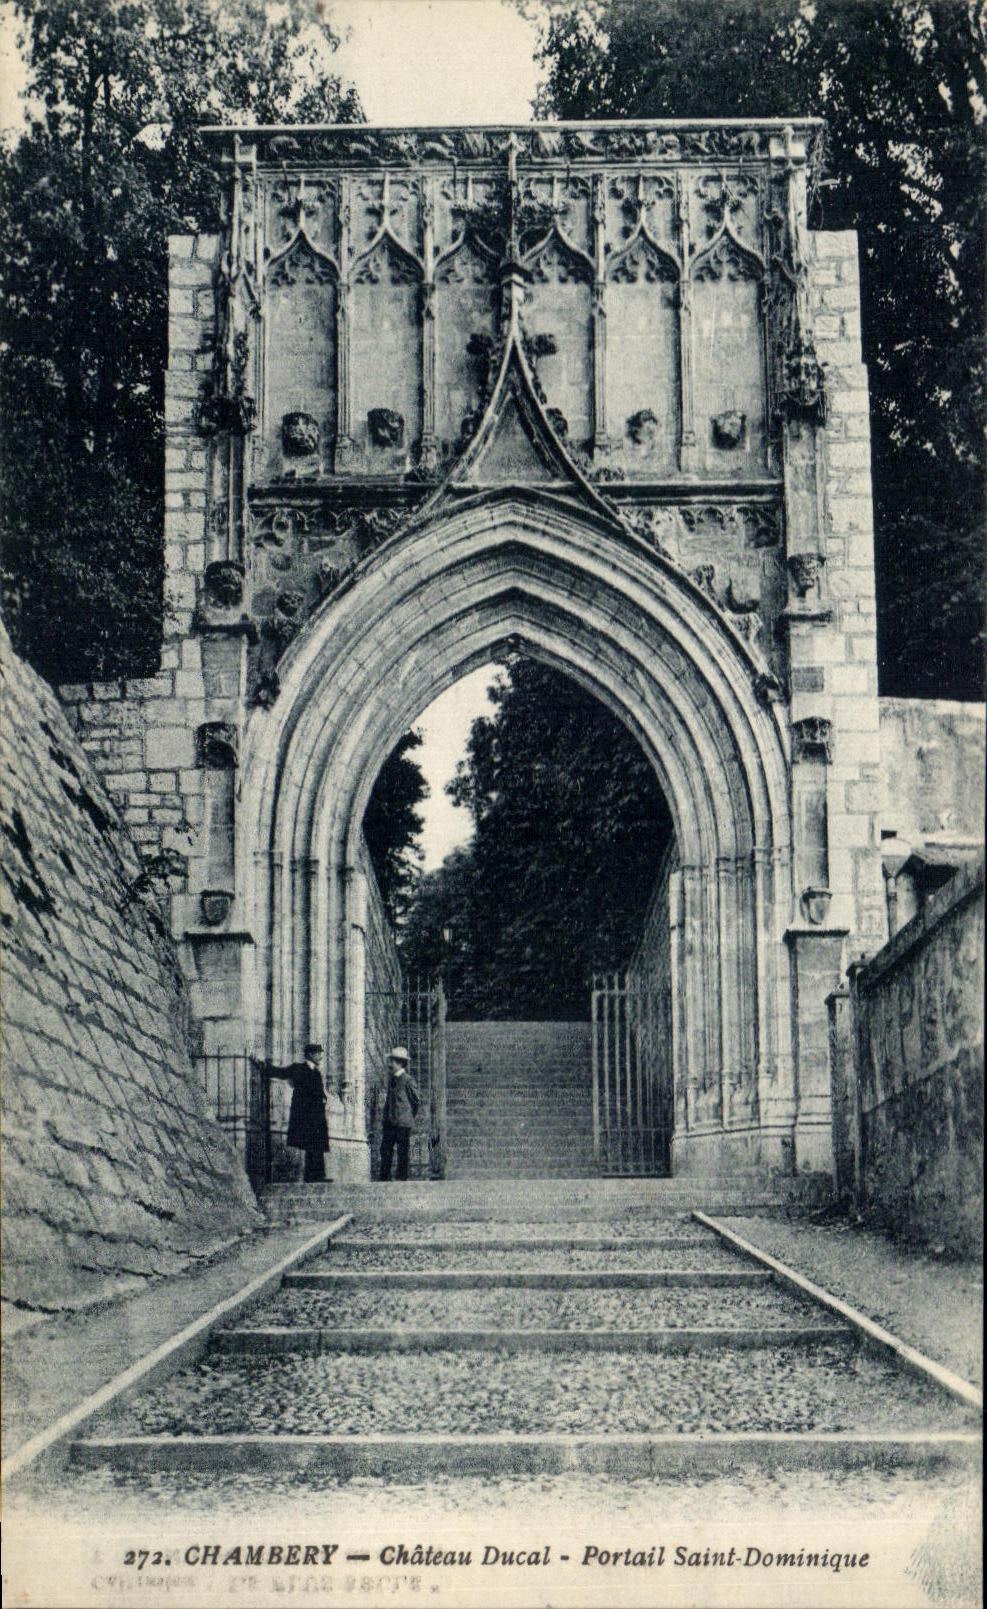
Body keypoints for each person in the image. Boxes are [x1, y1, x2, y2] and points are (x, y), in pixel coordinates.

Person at [255, 1042, 330, 1183]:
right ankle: (313, 1176)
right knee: (311, 1144)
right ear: (310, 1054)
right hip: (305, 1115)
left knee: (316, 1145)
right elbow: (281, 1073)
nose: (320, 1056)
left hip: (317, 1115)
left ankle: (317, 1175)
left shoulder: (317, 1073)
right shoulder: (299, 1068)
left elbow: (319, 1092)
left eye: (321, 1053)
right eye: (318, 1053)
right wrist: (265, 1066)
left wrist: (324, 1100)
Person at [379, 1046, 420, 1182]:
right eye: (390, 1061)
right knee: (385, 1150)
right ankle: (384, 1177)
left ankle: (401, 1178)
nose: (390, 1064)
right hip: (390, 1122)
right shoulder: (391, 1079)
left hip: (403, 1123)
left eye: (394, 1062)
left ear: (401, 1063)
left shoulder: (408, 1080)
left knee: (402, 1152)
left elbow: (416, 1101)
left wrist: (407, 1116)